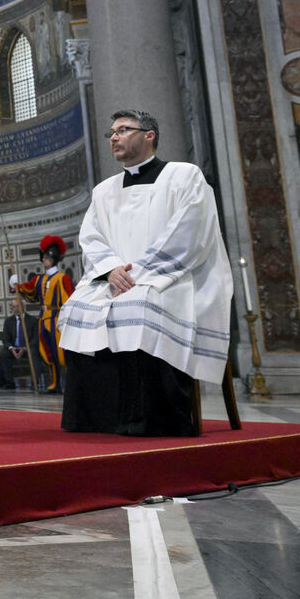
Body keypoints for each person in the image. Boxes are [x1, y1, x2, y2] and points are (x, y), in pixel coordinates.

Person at [58, 110, 233, 436]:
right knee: (76, 308)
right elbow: (92, 237)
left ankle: (151, 419)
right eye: (111, 132)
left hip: (172, 278)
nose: (114, 137)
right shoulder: (103, 191)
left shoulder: (184, 176)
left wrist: (138, 274)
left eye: (123, 130)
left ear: (149, 135)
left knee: (138, 306)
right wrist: (111, 270)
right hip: (116, 279)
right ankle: (98, 419)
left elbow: (189, 233)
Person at [12, 235, 73, 393]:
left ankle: (69, 384)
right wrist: (16, 285)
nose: (44, 259)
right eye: (43, 257)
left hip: (57, 319)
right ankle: (54, 384)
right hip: (43, 320)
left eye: (47, 257)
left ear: (54, 258)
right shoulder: (39, 279)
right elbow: (30, 292)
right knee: (48, 354)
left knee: (61, 354)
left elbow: (68, 300)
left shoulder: (62, 278)